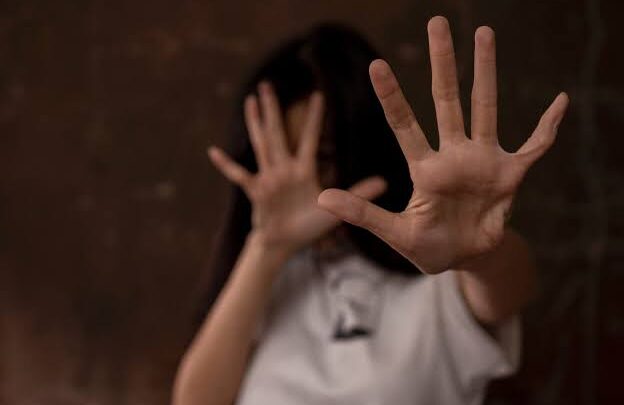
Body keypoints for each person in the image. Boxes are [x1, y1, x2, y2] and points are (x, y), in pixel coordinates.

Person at [172, 16, 569, 405]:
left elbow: (508, 287)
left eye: (321, 156)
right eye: (278, 157)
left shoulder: (436, 271)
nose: (294, 181)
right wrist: (267, 247)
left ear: (361, 147)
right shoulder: (266, 288)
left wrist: (479, 253)